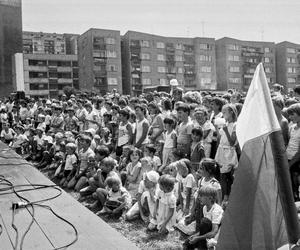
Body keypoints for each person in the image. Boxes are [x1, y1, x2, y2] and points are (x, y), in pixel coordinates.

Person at [183, 186, 223, 250]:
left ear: (210, 198)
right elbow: (204, 229)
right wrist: (196, 235)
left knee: (205, 221)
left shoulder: (216, 210)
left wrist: (198, 238)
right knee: (187, 243)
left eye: (201, 196)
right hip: (206, 235)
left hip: (215, 239)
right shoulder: (205, 207)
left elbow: (214, 232)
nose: (199, 198)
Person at [215, 104, 238, 203]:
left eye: (225, 112)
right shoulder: (225, 124)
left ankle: (226, 195)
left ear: (231, 112)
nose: (223, 114)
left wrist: (225, 130)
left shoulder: (235, 125)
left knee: (226, 175)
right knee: (223, 174)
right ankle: (225, 194)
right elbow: (220, 138)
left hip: (229, 151)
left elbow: (232, 142)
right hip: (221, 150)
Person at [286, 103, 300, 200]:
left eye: (292, 114)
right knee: (290, 186)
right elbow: (289, 144)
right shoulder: (292, 127)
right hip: (288, 159)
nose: (290, 117)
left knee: (296, 186)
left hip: (296, 162)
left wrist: (290, 164)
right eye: (289, 115)